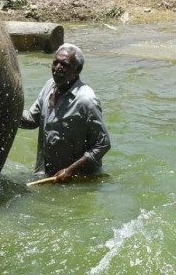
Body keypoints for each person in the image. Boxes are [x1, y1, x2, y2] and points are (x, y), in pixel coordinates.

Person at [20, 43, 111, 182]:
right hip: (46, 175)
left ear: (77, 69)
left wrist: (70, 171)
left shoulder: (86, 100)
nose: (57, 68)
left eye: (65, 64)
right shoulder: (49, 86)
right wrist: (4, 113)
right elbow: (32, 120)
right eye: (55, 62)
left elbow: (103, 143)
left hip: (78, 179)